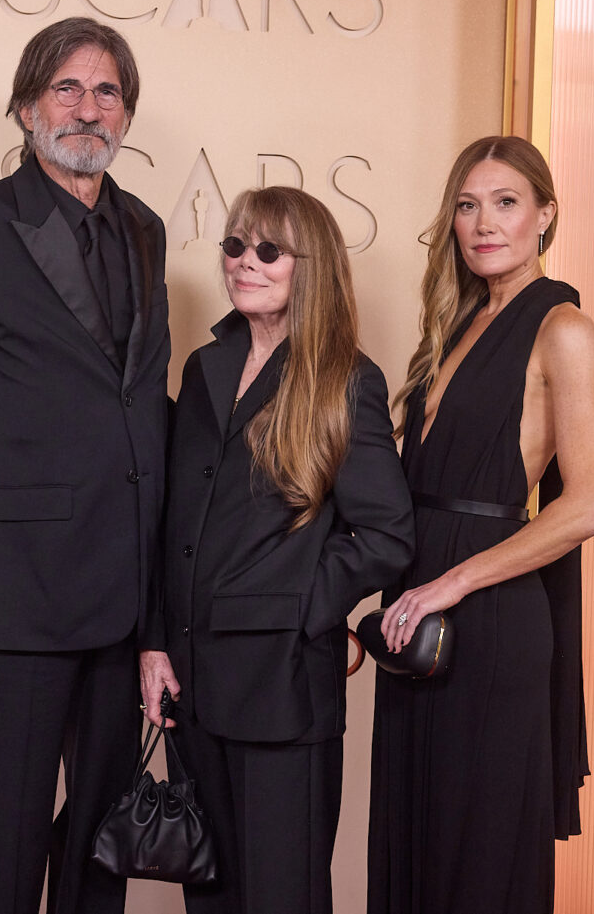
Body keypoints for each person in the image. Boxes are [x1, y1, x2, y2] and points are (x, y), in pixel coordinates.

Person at [0, 16, 171, 914]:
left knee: (102, 848)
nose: (87, 109)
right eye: (67, 88)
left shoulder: (146, 230)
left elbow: (141, 409)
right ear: (25, 108)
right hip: (10, 604)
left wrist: (161, 611)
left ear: (126, 115)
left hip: (120, 599)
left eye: (106, 93)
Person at [139, 186, 415, 914]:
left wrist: (296, 606)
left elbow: (388, 534)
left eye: (268, 249)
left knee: (280, 897)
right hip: (190, 686)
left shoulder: (346, 380)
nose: (244, 262)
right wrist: (157, 641)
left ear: (310, 266)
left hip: (284, 689)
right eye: (234, 245)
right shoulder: (203, 369)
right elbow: (176, 524)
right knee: (213, 897)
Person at [367, 137, 594, 914]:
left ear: (545, 214)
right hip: (421, 611)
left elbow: (590, 503)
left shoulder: (562, 326)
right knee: (416, 838)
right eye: (468, 205)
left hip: (491, 614)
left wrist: (451, 583)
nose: (484, 223)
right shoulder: (458, 321)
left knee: (476, 852)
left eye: (506, 202)